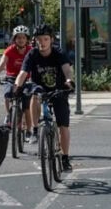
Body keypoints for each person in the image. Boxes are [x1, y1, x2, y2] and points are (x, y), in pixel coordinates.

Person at [13, 24, 75, 171]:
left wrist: (69, 81)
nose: (42, 42)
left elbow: (67, 70)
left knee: (63, 126)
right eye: (39, 39)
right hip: (40, 88)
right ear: (35, 40)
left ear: (51, 39)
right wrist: (17, 86)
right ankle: (35, 129)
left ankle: (65, 157)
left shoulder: (58, 53)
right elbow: (23, 73)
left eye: (46, 39)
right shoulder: (32, 54)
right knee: (35, 94)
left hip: (58, 90)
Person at [0, 25, 34, 139]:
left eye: (23, 37)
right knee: (8, 93)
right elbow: (2, 63)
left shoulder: (30, 50)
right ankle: (10, 115)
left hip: (26, 79)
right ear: (14, 39)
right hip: (11, 78)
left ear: (27, 39)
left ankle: (29, 130)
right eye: (18, 37)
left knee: (27, 106)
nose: (21, 40)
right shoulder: (10, 50)